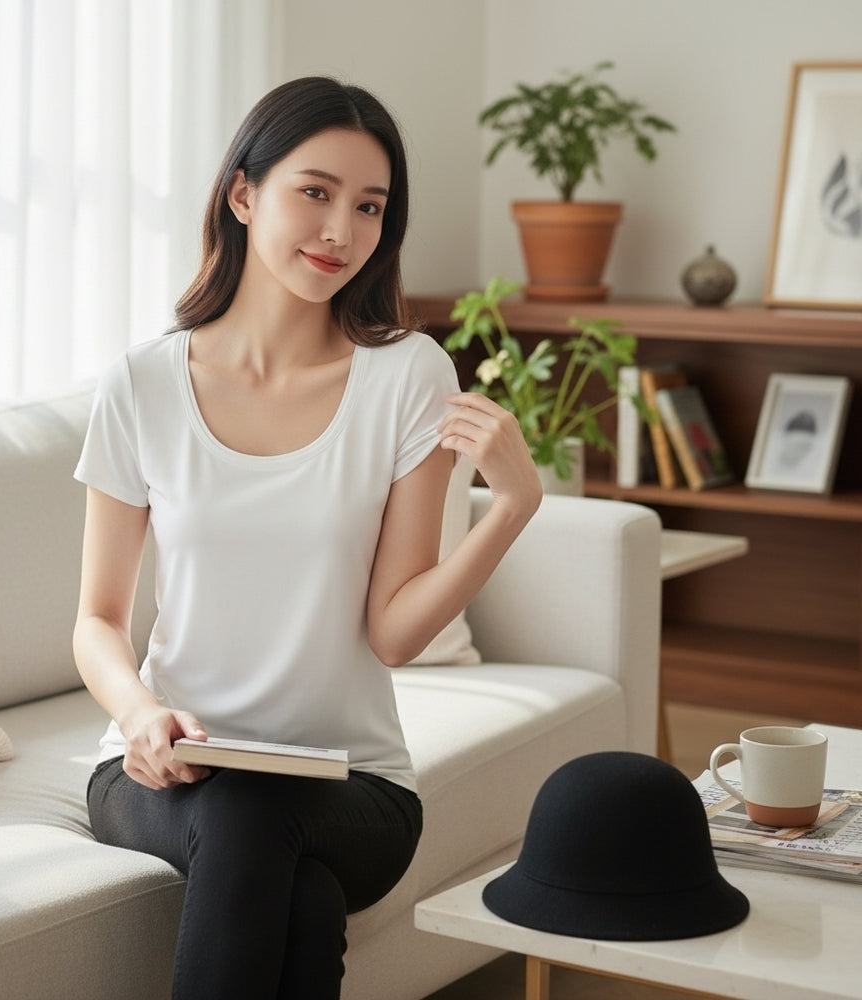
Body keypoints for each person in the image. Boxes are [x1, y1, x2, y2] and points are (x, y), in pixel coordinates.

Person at [72, 76, 541, 1000]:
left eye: (369, 207)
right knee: (296, 892)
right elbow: (96, 618)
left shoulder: (406, 375)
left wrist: (515, 508)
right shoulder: (142, 385)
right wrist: (139, 717)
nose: (341, 231)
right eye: (315, 193)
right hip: (159, 770)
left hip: (355, 786)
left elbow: (395, 634)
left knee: (261, 821)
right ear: (244, 194)